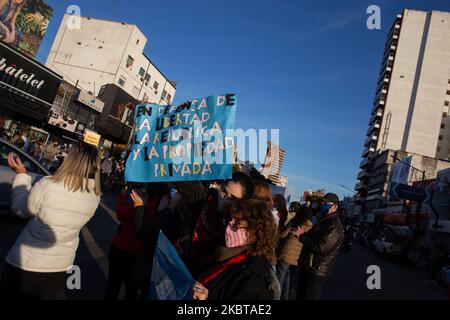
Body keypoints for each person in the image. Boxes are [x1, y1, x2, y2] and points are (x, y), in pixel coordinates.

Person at [0, 143, 101, 300]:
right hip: (60, 266)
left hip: (28, 263)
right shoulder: (95, 195)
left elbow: (20, 209)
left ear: (71, 160)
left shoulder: (48, 185)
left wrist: (21, 176)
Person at [191, 199, 279, 300]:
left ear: (255, 232)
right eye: (229, 220)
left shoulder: (254, 276)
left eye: (238, 223)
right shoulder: (223, 254)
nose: (229, 227)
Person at [104, 183, 170, 300]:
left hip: (123, 248)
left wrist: (122, 197)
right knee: (132, 290)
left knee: (113, 285)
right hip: (140, 253)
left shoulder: (142, 204)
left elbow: (121, 214)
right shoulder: (165, 207)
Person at [190, 172, 255, 266]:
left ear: (242, 203)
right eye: (224, 191)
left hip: (200, 271)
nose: (224, 198)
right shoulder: (203, 199)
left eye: (232, 198)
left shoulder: (237, 229)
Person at [297, 193, 344, 300]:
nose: (322, 204)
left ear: (335, 207)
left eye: (326, 203)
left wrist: (302, 237)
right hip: (309, 267)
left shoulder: (334, 225)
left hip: (316, 270)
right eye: (322, 202)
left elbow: (321, 247)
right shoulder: (325, 220)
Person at [276, 204, 314, 300]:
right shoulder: (311, 226)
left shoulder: (295, 221)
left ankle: (275, 296)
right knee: (288, 278)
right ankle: (285, 297)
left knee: (279, 278)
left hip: (287, 254)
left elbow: (283, 235)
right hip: (298, 257)